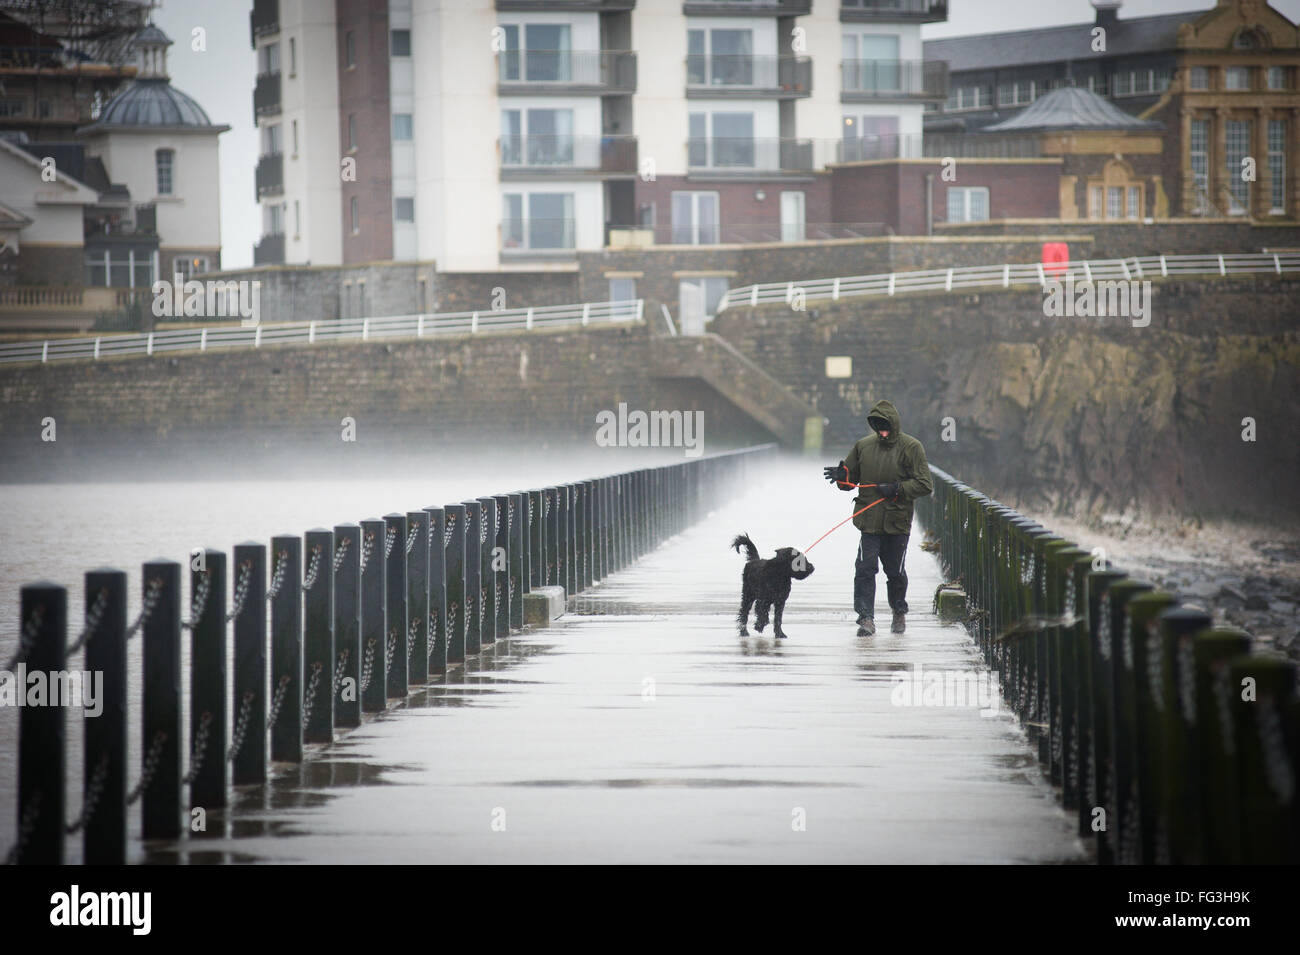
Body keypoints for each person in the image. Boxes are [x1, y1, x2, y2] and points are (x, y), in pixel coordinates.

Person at [821, 399, 932, 636]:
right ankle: (865, 619)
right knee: (864, 568)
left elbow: (925, 484)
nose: (881, 432)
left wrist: (897, 489)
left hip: (897, 522)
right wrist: (842, 476)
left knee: (895, 571)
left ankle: (899, 612)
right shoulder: (863, 446)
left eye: (885, 427)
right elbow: (848, 482)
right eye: (877, 427)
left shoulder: (912, 447)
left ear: (894, 425)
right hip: (869, 521)